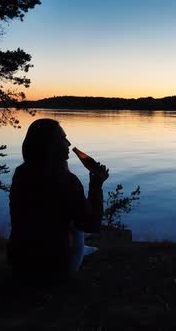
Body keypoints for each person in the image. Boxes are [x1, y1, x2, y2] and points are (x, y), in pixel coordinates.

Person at [8, 118, 109, 280]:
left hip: (19, 265)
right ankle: (81, 250)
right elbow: (93, 224)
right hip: (55, 271)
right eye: (62, 139)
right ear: (49, 146)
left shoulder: (21, 174)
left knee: (55, 219)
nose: (69, 144)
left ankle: (80, 247)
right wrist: (96, 186)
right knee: (78, 226)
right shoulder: (66, 180)